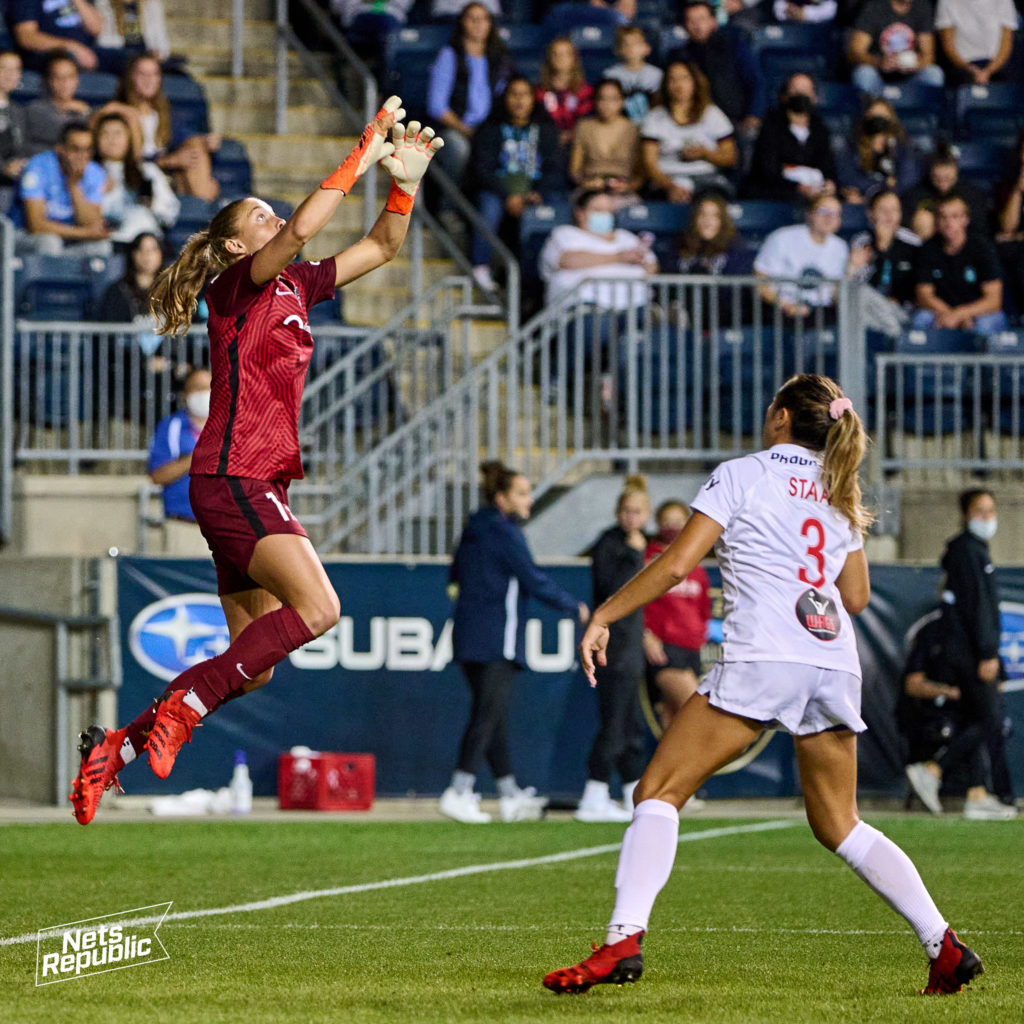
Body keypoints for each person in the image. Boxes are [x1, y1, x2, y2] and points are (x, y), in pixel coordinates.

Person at [542, 373, 985, 999]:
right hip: (833, 661)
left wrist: (606, 614)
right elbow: (855, 597)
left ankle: (622, 939)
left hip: (765, 655)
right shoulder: (838, 488)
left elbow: (674, 565)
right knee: (841, 824)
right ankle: (943, 944)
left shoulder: (742, 473)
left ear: (781, 417)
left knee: (658, 790)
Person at [68, 95, 444, 825]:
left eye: (273, 213)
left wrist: (405, 182)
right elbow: (305, 225)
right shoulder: (235, 287)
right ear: (237, 247)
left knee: (257, 664)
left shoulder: (297, 286)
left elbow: (383, 247)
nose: (276, 222)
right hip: (234, 473)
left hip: (246, 480)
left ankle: (118, 745)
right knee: (322, 608)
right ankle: (183, 709)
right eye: (260, 218)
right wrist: (363, 150)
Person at [441, 460, 589, 824]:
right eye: (522, 493)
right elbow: (533, 579)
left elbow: (455, 574)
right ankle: (458, 790)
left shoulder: (473, 528)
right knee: (487, 715)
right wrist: (575, 607)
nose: (529, 500)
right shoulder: (505, 532)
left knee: (493, 717)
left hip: (467, 635)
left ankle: (509, 795)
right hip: (497, 638)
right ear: (502, 498)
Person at [905, 489, 1018, 819]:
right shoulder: (970, 552)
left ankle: (977, 793)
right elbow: (979, 606)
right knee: (990, 718)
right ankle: (933, 770)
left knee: (974, 719)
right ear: (966, 514)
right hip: (970, 652)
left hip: (962, 650)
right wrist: (987, 652)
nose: (987, 516)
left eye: (991, 510)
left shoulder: (968, 551)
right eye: (980, 510)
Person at [575, 474, 651, 823]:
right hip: (612, 649)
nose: (631, 517)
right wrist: (634, 557)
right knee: (615, 724)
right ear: (618, 512)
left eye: (638, 512)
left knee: (631, 725)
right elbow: (613, 591)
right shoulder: (610, 544)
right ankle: (593, 794)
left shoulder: (642, 545)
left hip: (631, 648)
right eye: (626, 511)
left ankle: (632, 795)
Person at [463, 75, 566, 293]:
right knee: (488, 206)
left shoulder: (546, 130)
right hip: (499, 192)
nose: (519, 100)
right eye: (514, 94)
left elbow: (555, 168)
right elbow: (483, 169)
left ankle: (551, 270)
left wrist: (538, 193)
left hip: (535, 191)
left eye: (525, 95)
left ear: (532, 99)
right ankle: (480, 267)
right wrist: (507, 196)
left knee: (557, 203)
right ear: (505, 99)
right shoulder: (489, 129)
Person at [96, 52, 221, 201]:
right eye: (142, 74)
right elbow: (131, 159)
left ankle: (202, 205)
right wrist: (169, 161)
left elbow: (183, 140)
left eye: (154, 74)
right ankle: (204, 207)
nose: (148, 80)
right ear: (130, 78)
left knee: (196, 146)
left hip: (165, 174)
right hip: (135, 177)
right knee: (200, 182)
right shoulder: (120, 112)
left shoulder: (164, 114)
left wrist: (207, 141)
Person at [426, 2, 515, 188]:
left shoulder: (499, 57)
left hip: (488, 128)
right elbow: (436, 106)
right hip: (455, 128)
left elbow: (505, 96)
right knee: (459, 148)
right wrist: (464, 129)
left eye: (483, 19)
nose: (478, 24)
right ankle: (446, 208)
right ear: (462, 23)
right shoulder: (450, 55)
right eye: (472, 19)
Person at [642, 500, 711, 734]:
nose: (672, 527)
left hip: (691, 648)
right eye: (666, 522)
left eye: (678, 522)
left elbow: (704, 607)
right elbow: (637, 600)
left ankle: (668, 772)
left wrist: (700, 634)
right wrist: (646, 634)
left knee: (674, 723)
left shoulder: (695, 561)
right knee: (696, 713)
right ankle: (693, 771)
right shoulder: (649, 558)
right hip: (665, 649)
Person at [640, 61, 737, 204]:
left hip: (705, 178)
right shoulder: (655, 117)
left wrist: (705, 154)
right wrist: (670, 185)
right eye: (672, 80)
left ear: (694, 82)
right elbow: (649, 163)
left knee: (712, 202)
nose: (679, 85)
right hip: (668, 178)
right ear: (666, 85)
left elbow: (730, 157)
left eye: (684, 78)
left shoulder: (712, 114)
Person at [667, 1, 765, 138]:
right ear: (684, 26)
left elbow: (755, 81)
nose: (697, 26)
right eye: (691, 21)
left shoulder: (734, 44)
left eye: (702, 19)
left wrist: (754, 115)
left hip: (735, 121)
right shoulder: (680, 56)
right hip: (696, 123)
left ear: (713, 21)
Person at [912, 195, 1007, 335]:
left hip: (978, 312)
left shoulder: (982, 248)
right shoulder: (928, 249)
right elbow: (924, 295)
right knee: (920, 320)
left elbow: (993, 300)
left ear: (965, 220)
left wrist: (960, 314)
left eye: (955, 217)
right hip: (941, 311)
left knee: (984, 326)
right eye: (943, 217)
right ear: (937, 221)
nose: (948, 222)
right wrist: (950, 315)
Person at [14, 119, 112, 255]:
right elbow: (35, 225)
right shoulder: (37, 167)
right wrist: (85, 233)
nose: (82, 157)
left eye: (87, 150)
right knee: (50, 242)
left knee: (102, 247)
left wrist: (73, 186)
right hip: (25, 235)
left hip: (69, 238)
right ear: (60, 149)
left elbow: (91, 223)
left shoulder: (95, 172)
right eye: (75, 149)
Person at [745, 74, 838, 203]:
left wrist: (829, 184)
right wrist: (798, 187)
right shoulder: (771, 124)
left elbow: (828, 167)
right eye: (796, 91)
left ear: (815, 97)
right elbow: (767, 170)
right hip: (775, 193)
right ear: (784, 95)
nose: (801, 95)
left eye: (806, 91)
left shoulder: (820, 130)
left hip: (814, 193)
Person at [146, 366, 211, 551]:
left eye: (210, 387)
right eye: (198, 388)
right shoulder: (171, 427)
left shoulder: (236, 426)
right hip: (184, 526)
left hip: (228, 529)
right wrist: (196, 457)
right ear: (185, 395)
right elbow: (157, 476)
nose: (205, 393)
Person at [754, 194, 849, 319]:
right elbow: (761, 280)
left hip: (821, 312)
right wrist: (785, 305)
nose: (829, 218)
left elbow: (834, 293)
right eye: (823, 211)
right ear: (809, 214)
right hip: (781, 310)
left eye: (835, 213)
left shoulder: (841, 247)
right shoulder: (782, 237)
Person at [93, 110, 179, 243]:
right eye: (105, 133)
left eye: (117, 133)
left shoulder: (146, 170)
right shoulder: (88, 172)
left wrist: (152, 204)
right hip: (105, 240)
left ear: (129, 138)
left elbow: (170, 212)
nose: (112, 140)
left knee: (140, 216)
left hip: (142, 243)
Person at [847, 188, 921, 337]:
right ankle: (895, 339)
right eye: (883, 210)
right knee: (859, 298)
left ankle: (895, 338)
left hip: (903, 310)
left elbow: (918, 283)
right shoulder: (861, 241)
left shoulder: (913, 242)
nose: (889, 216)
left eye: (894, 210)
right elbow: (857, 283)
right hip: (870, 309)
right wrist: (879, 250)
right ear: (870, 213)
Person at [568, 77, 642, 206]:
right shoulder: (584, 126)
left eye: (613, 99)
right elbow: (575, 170)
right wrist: (587, 183)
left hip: (623, 191)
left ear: (622, 101)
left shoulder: (633, 129)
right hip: (590, 189)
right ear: (595, 101)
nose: (607, 104)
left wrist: (628, 186)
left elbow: (640, 173)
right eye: (602, 98)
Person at [848, 0, 945, 95]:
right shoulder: (875, 6)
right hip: (878, 76)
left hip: (911, 79)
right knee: (864, 73)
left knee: (934, 73)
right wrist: (880, 62)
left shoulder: (922, 6)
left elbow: (929, 56)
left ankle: (928, 111)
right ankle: (870, 109)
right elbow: (855, 52)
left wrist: (915, 64)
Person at [838, 99, 918, 205]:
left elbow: (908, 179)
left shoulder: (903, 147)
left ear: (891, 120)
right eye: (874, 118)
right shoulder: (852, 145)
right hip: (862, 199)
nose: (878, 123)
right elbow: (848, 177)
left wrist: (886, 194)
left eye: (882, 118)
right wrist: (882, 185)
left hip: (895, 201)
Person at [901, 147, 989, 231]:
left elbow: (979, 227)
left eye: (947, 178)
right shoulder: (913, 195)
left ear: (955, 171)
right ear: (930, 172)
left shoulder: (972, 194)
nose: (943, 184)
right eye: (937, 179)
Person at [24, 49, 92, 154]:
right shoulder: (35, 108)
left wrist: (87, 112)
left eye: (70, 77)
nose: (64, 82)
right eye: (58, 77)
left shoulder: (84, 110)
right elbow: (61, 133)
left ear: (77, 80)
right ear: (49, 80)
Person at [935, 0, 1017, 85]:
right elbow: (948, 45)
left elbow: (1006, 44)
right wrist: (971, 69)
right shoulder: (947, 2)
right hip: (962, 66)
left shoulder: (1004, 2)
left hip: (996, 65)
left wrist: (988, 71)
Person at [9, 0, 105, 72]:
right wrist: (70, 46)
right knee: (65, 66)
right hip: (51, 52)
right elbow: (26, 37)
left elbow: (96, 28)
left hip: (86, 49)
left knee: (118, 60)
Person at [535, 36, 593, 148]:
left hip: (578, 145)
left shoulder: (585, 91)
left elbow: (587, 122)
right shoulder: (539, 91)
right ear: (549, 58)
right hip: (547, 146)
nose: (560, 58)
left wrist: (571, 135)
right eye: (555, 54)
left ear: (573, 58)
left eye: (565, 54)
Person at [601, 24, 662, 126]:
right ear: (617, 50)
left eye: (636, 43)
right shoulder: (610, 75)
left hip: (651, 124)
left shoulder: (657, 75)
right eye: (626, 44)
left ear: (647, 48)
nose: (631, 48)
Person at [676, 192, 748, 275]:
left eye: (715, 216)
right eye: (703, 214)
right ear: (695, 218)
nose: (707, 222)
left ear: (723, 221)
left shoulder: (735, 246)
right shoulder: (681, 242)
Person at [94, 0, 172, 67]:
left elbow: (161, 39)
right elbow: (102, 39)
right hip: (116, 54)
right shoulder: (104, 3)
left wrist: (158, 54)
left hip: (143, 53)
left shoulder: (151, 4)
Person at [0, 51, 31, 188]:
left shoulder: (19, 111)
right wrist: (2, 168)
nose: (10, 75)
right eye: (4, 68)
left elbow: (21, 148)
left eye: (16, 69)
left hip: (12, 186)